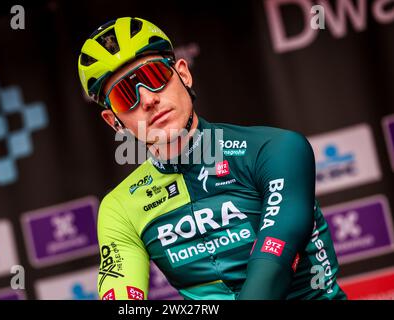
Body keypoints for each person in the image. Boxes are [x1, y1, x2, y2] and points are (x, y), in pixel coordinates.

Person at [78, 17, 347, 300]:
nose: (147, 100)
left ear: (183, 74)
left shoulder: (276, 150)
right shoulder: (119, 208)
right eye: (124, 95)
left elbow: (273, 269)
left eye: (154, 76)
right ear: (113, 121)